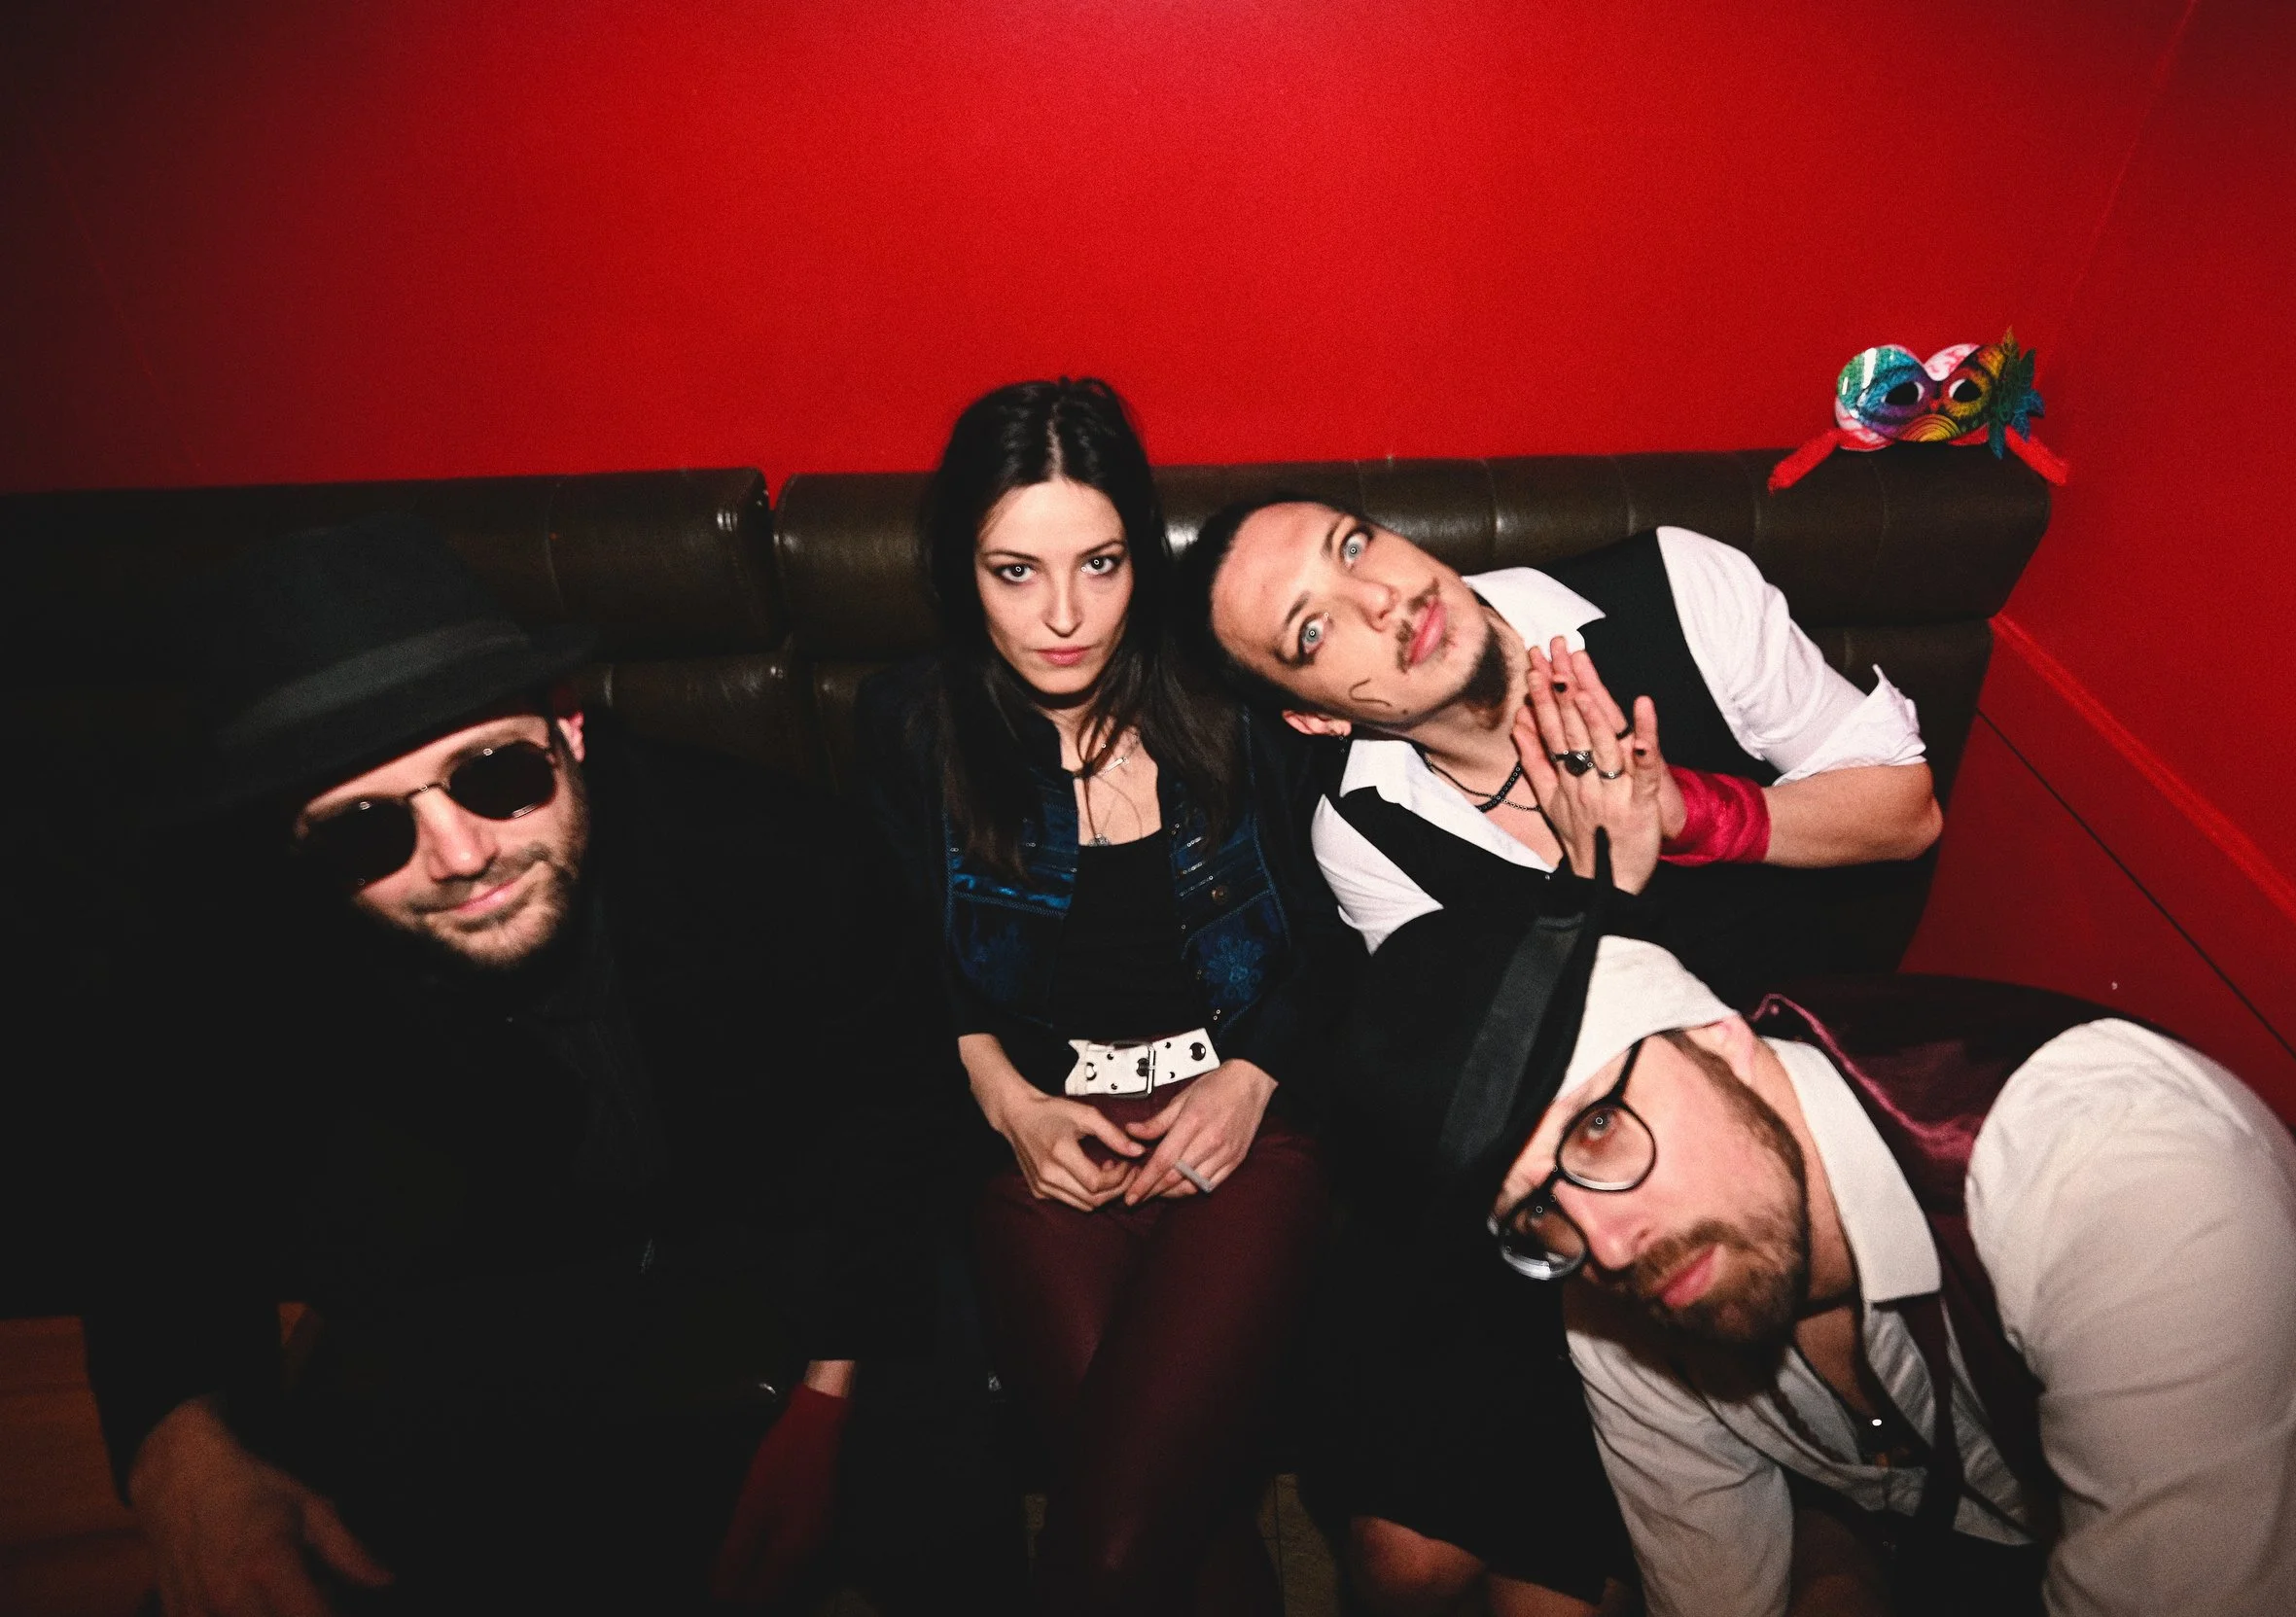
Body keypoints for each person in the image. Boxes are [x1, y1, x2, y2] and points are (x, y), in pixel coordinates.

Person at [83, 514, 1025, 1616]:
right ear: (297, 846)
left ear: (568, 727)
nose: (461, 853)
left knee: (936, 1510)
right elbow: (156, 1184)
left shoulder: (777, 856)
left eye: (495, 774)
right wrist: (179, 1446)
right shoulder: (247, 947)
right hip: (482, 1320)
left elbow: (893, 1126)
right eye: (366, 828)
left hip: (794, 1267)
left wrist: (829, 1401)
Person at [1326, 673, 2296, 1616]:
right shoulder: (1618, 1290)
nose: (1602, 1238)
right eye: (1535, 1211)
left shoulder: (2115, 1173)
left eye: (1598, 1125)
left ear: (1721, 1038)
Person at [1172, 498, 1942, 1615]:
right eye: (1313, 629)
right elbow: (1497, 1090)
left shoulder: (1674, 592)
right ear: (1314, 715)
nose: (1380, 598)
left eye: (1353, 545)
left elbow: (1904, 811)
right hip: (1568, 1181)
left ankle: (1831, 1514)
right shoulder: (1364, 830)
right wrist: (1599, 889)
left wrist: (1694, 814)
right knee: (1402, 1563)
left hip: (1788, 1124)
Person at [856, 379, 1360, 1616]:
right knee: (1159, 1515)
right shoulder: (913, 721)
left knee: (1120, 1538)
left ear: (1143, 553)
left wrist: (1253, 1076)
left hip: (1242, 1129)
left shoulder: (1234, 702)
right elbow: (898, 955)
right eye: (1014, 572)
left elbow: (1338, 929)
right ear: (961, 569)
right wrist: (1006, 1101)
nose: (1064, 617)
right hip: (1044, 1140)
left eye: (1100, 563)